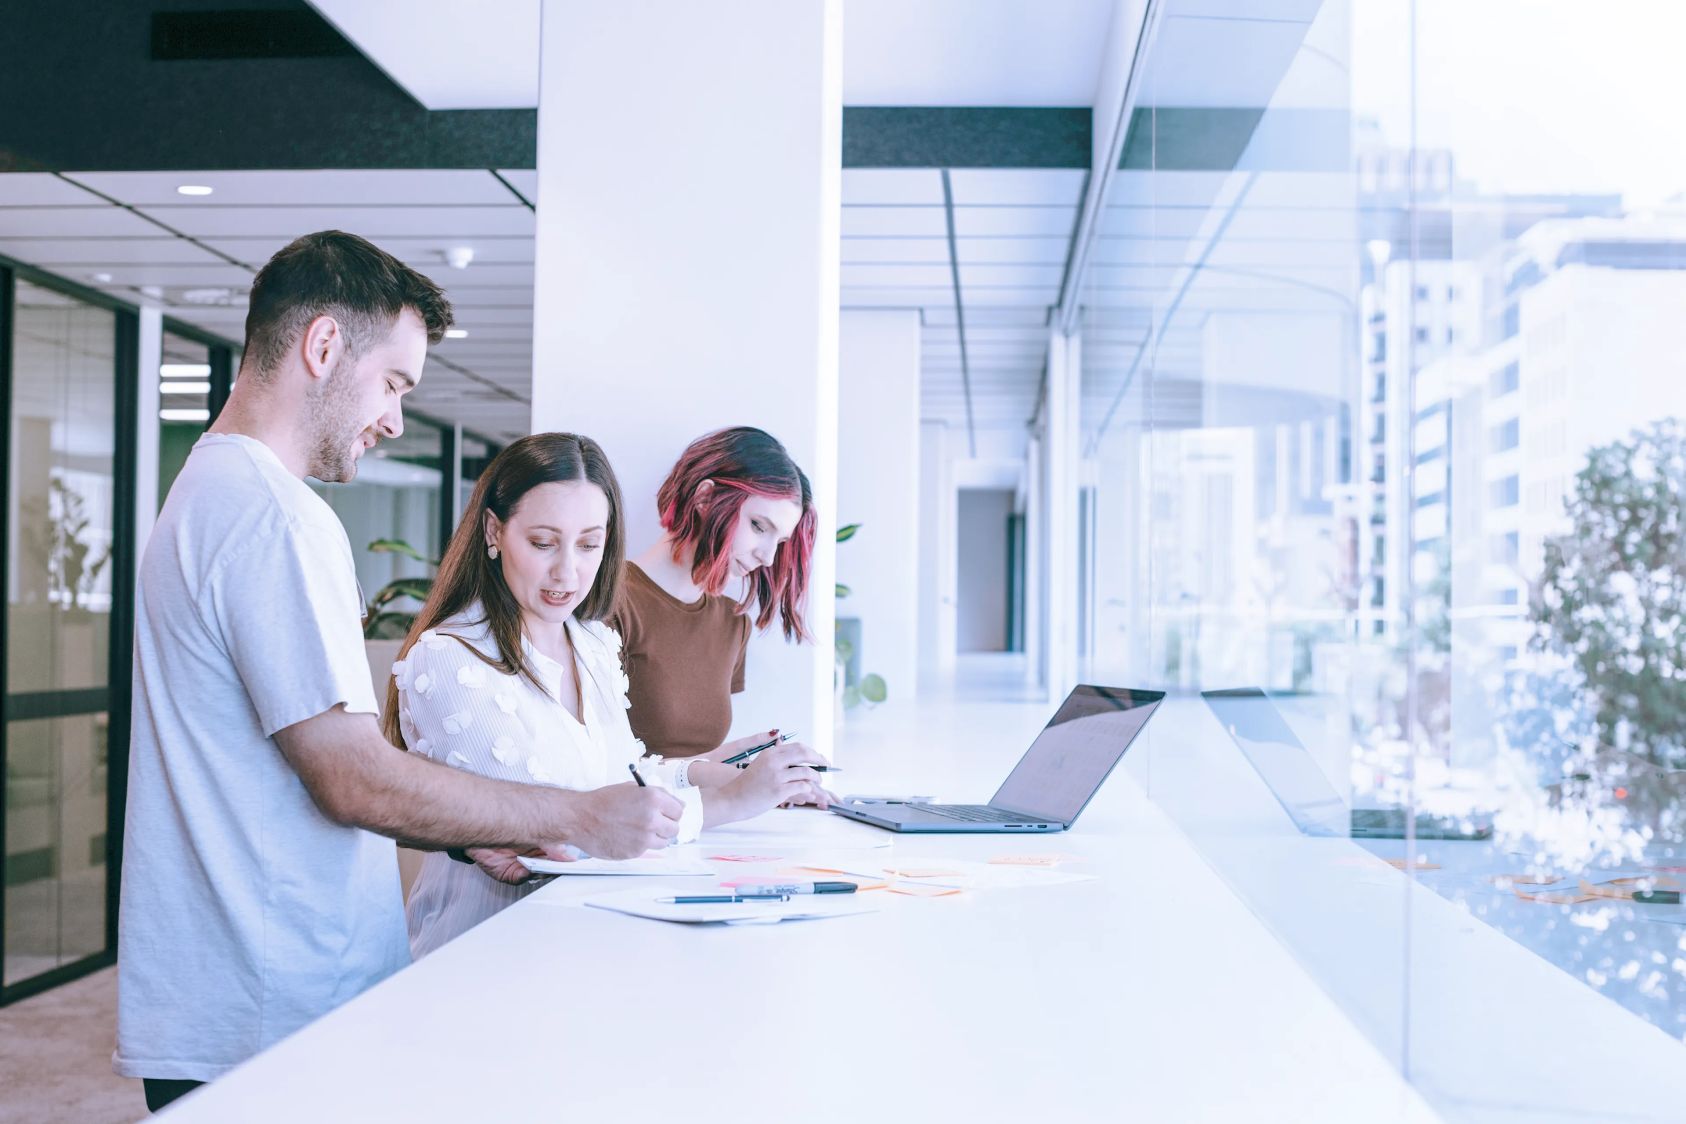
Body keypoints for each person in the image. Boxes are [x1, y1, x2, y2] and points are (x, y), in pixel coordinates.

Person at [114, 232, 681, 1114]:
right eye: (395, 383)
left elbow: (287, 766)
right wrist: (577, 815)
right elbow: (350, 778)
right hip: (276, 998)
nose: (394, 418)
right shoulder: (276, 518)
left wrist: (459, 830)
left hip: (231, 989)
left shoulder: (204, 491)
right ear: (324, 346)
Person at [389, 433, 828, 956]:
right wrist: (731, 801)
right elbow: (566, 834)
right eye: (543, 543)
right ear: (494, 531)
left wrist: (716, 771)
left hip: (592, 938)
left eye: (589, 545)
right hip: (489, 949)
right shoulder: (448, 657)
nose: (567, 572)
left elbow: (622, 781)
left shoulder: (593, 642)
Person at [611, 426, 818, 760]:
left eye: (779, 542)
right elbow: (596, 767)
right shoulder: (609, 601)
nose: (766, 557)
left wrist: (762, 778)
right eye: (759, 526)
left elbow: (695, 767)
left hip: (705, 812)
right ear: (705, 498)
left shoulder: (732, 622)